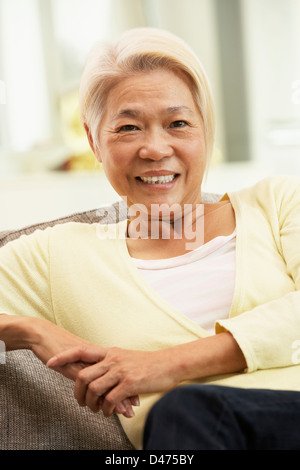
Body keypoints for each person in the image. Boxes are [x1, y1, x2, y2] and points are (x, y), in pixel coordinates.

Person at [0, 27, 300, 451]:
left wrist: (163, 366)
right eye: (128, 128)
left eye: (178, 123)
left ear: (206, 131)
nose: (155, 148)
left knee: (184, 409)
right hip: (188, 439)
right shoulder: (55, 255)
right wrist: (28, 329)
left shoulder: (279, 203)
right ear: (93, 140)